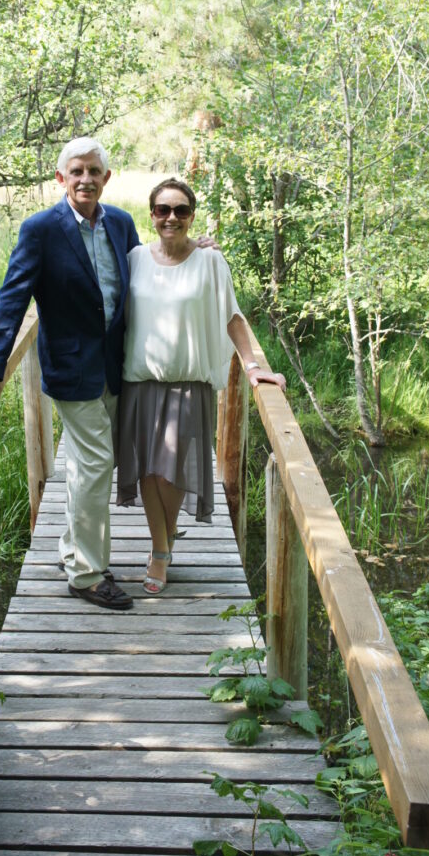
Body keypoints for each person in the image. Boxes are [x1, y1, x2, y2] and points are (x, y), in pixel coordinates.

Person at [0, 137, 139, 611]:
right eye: (76, 171)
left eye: (94, 171)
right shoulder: (40, 230)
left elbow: (145, 278)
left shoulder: (121, 223)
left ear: (106, 178)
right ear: (61, 179)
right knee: (97, 463)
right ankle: (85, 575)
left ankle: (75, 551)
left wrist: (192, 250)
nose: (85, 179)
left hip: (115, 366)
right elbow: (11, 299)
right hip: (70, 368)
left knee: (90, 463)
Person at [117, 178, 286, 594]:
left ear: (192, 215)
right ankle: (163, 545)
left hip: (189, 383)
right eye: (162, 210)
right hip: (140, 381)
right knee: (146, 471)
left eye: (181, 210)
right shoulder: (135, 258)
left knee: (170, 470)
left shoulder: (211, 261)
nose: (171, 217)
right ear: (151, 214)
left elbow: (232, 317)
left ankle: (161, 550)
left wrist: (252, 366)